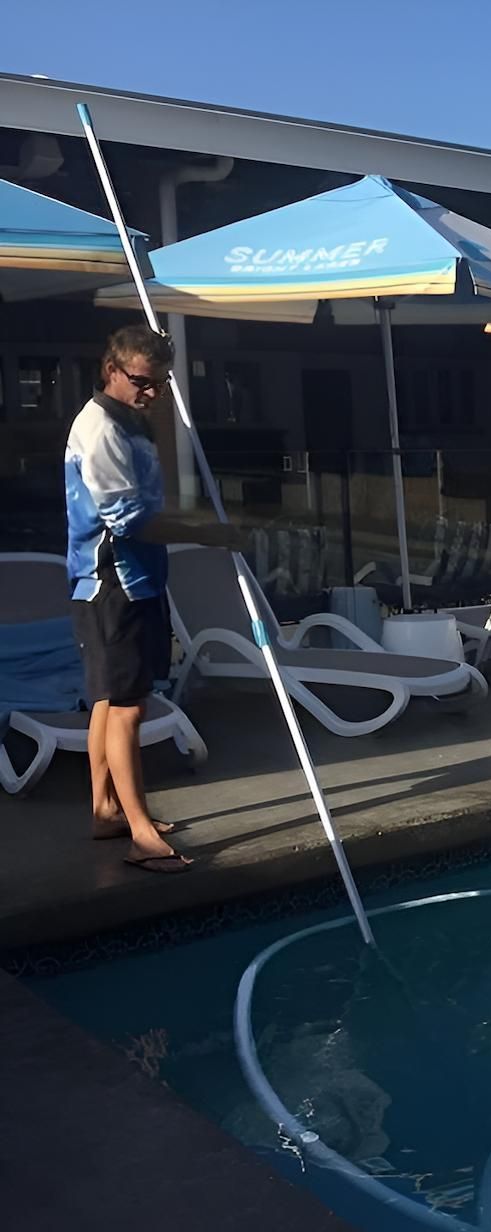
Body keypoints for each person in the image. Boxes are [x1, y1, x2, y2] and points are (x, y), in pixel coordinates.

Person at [65, 324, 233, 874]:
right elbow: (127, 519)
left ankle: (105, 809)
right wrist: (211, 532)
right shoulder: (102, 430)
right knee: (129, 707)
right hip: (113, 582)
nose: (152, 392)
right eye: (142, 381)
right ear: (111, 369)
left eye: (160, 382)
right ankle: (140, 835)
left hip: (133, 579)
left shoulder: (128, 420)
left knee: (109, 703)